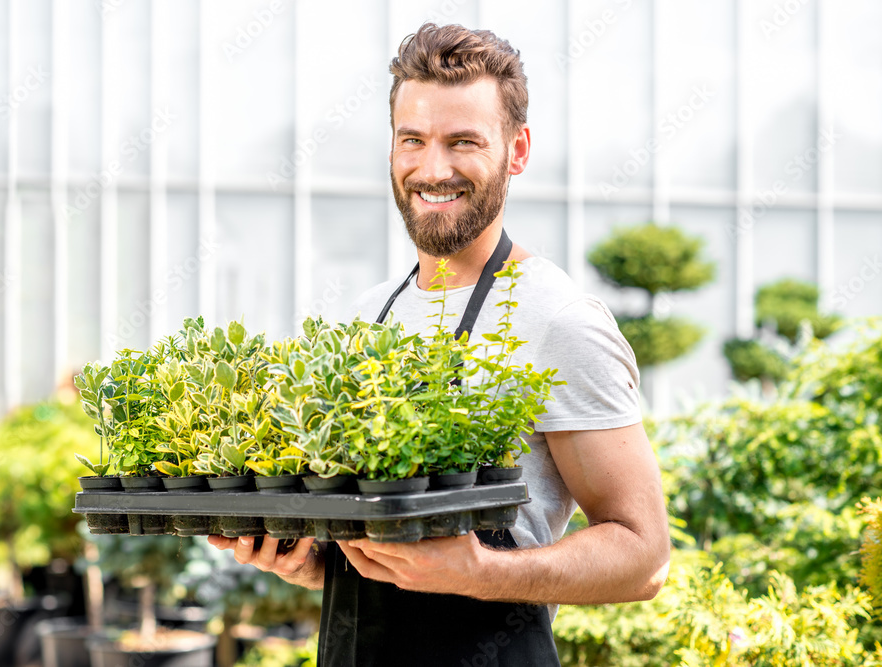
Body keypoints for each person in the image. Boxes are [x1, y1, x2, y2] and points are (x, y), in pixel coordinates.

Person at [210, 22, 670, 666]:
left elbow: (642, 556)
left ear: (517, 150)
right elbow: (386, 557)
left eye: (464, 142)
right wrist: (311, 561)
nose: (433, 168)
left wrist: (477, 570)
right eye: (413, 140)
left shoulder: (557, 320)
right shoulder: (372, 317)